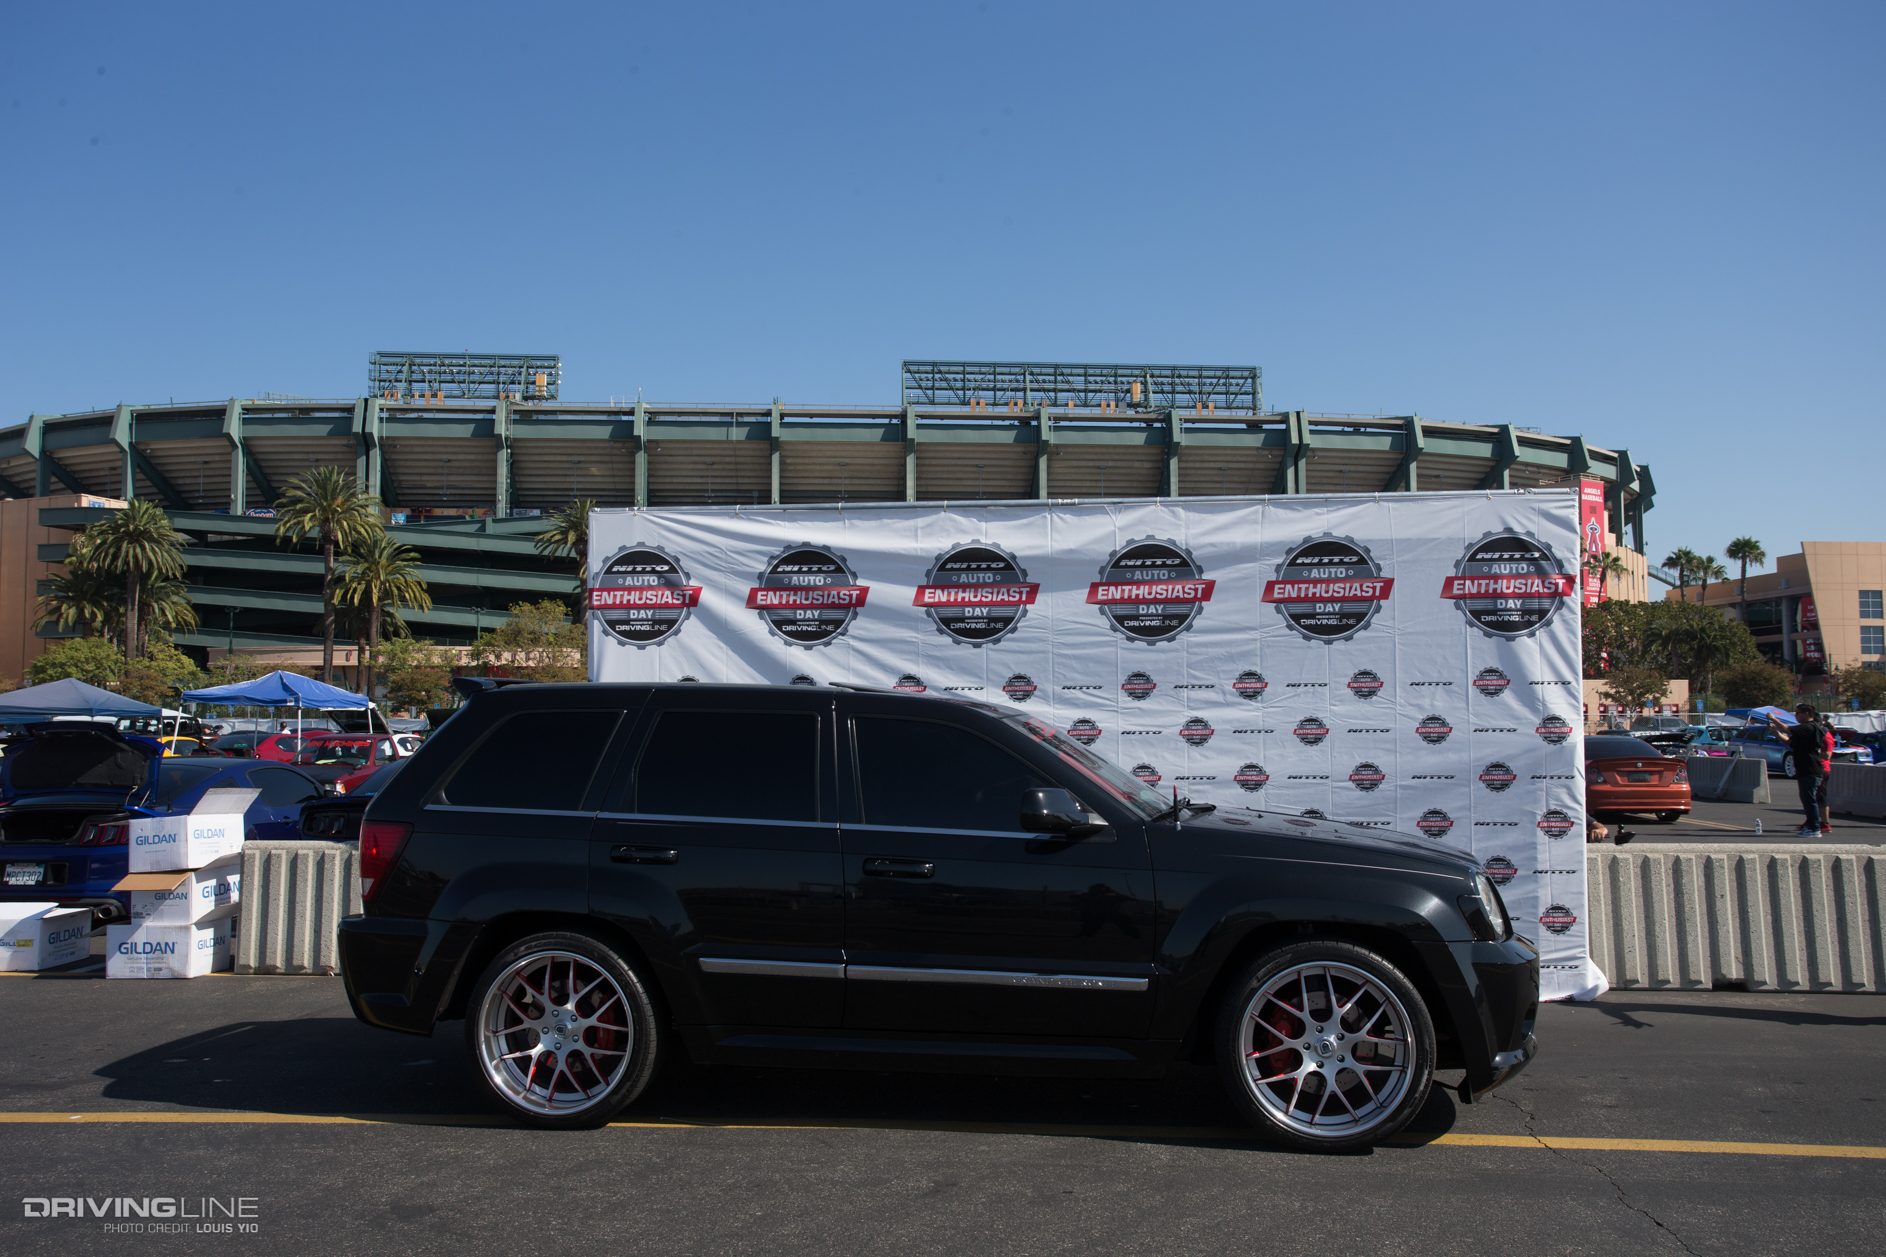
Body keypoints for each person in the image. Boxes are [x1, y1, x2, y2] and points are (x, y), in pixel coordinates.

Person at [1767, 703, 1831, 837]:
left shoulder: (1809, 727)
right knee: (1806, 799)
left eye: (1797, 713)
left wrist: (1773, 718)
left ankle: (1814, 828)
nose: (1795, 716)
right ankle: (1811, 826)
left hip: (1810, 768)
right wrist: (1775, 732)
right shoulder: (1804, 730)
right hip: (1804, 768)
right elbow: (1788, 742)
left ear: (1806, 714)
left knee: (1810, 800)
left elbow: (1786, 729)